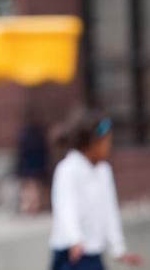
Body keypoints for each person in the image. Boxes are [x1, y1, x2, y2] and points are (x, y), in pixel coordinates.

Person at [49, 110, 144, 270]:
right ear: (91, 143)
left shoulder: (103, 171)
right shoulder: (68, 169)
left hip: (93, 251)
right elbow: (65, 207)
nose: (109, 147)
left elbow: (109, 210)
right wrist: (74, 239)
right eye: (105, 142)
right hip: (70, 252)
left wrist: (118, 248)